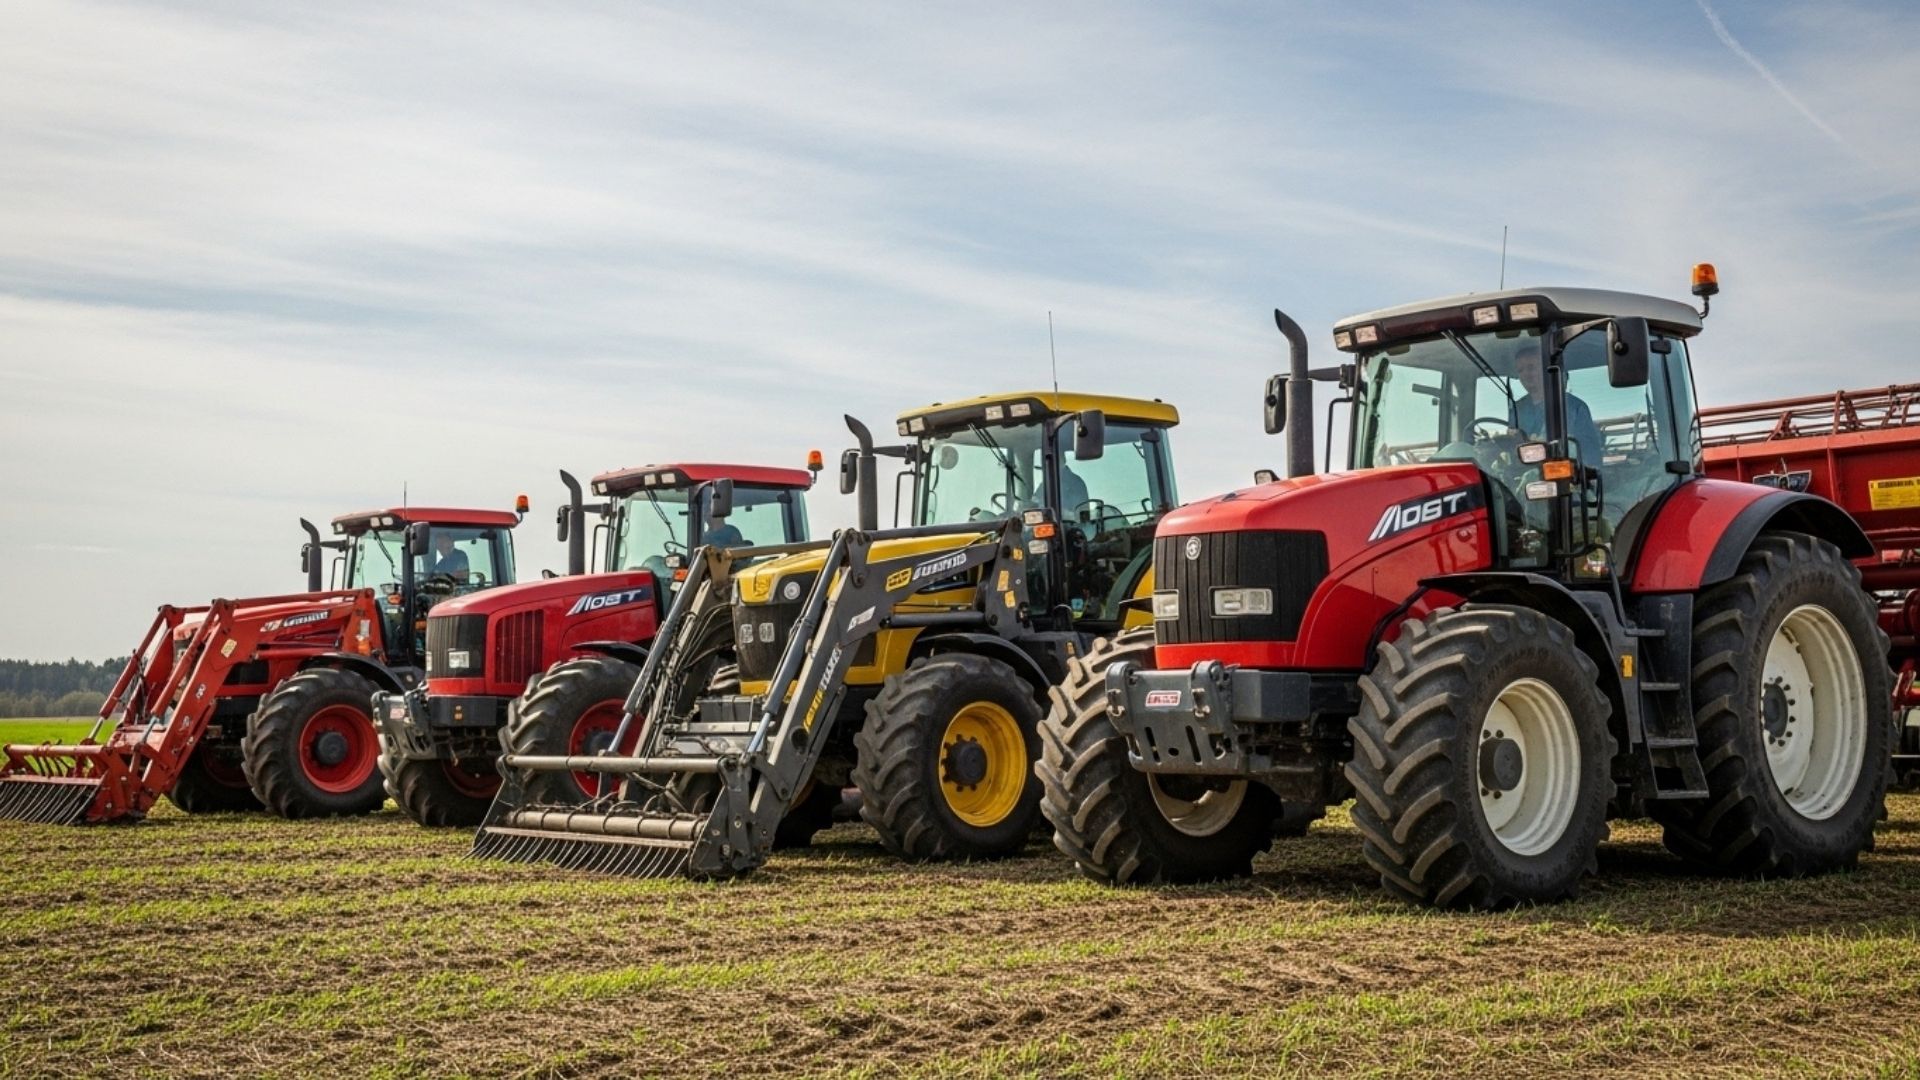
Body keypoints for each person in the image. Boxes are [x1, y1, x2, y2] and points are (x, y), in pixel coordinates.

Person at [1510, 352, 1603, 464]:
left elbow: (1590, 455)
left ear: (1546, 370)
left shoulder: (1574, 407)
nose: (1526, 374)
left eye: (1531, 367)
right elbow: (1512, 447)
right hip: (1520, 473)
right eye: (1520, 370)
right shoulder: (1516, 409)